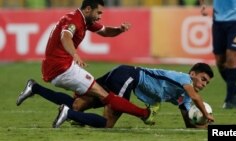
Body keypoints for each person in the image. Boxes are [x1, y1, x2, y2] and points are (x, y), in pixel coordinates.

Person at [16, 0, 156, 126]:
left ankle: (36, 89)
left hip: (55, 67)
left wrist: (119, 30)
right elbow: (65, 37)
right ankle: (144, 114)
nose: (100, 16)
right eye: (98, 12)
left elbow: (105, 31)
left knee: (82, 101)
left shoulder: (84, 20)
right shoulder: (73, 20)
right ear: (88, 9)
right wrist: (75, 54)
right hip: (63, 68)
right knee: (106, 96)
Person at [17, 62, 215, 128]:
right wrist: (205, 113)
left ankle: (35, 88)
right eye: (203, 79)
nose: (204, 85)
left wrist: (206, 126)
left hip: (121, 74)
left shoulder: (186, 97)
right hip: (128, 76)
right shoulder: (183, 79)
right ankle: (68, 114)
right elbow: (196, 99)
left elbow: (189, 123)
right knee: (108, 123)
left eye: (207, 83)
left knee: (79, 104)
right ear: (192, 74)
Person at [199, 0, 236, 109]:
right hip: (218, 20)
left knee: (231, 57)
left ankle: (230, 100)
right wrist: (203, 4)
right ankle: (233, 88)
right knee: (219, 61)